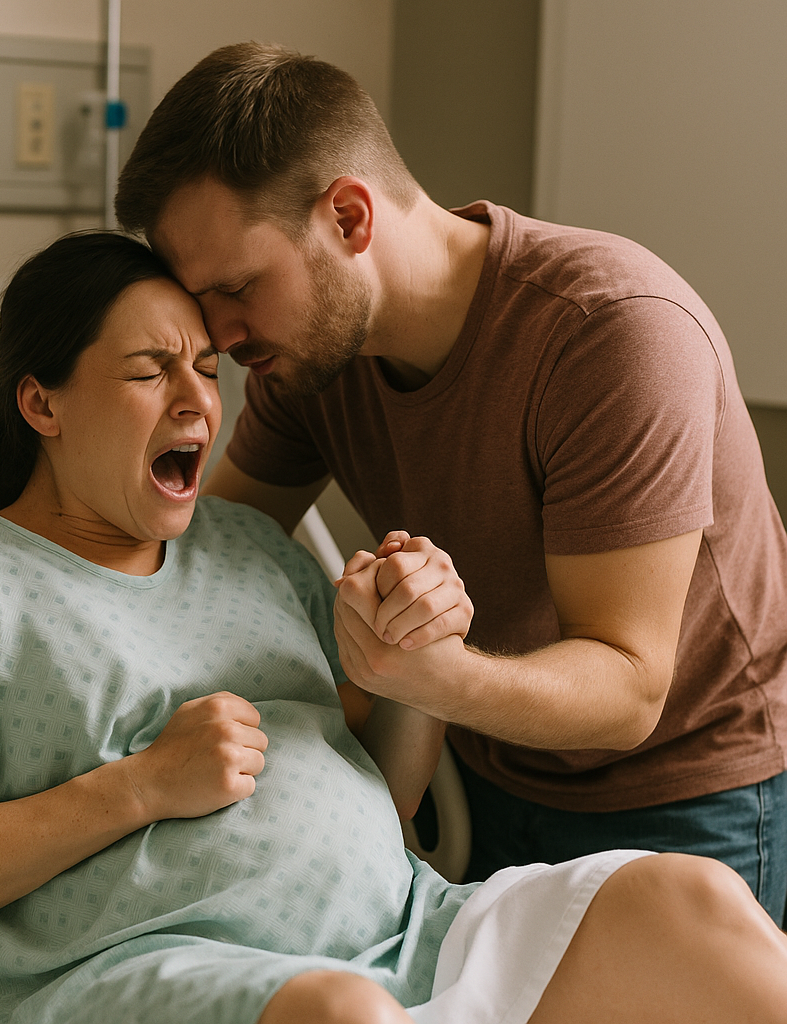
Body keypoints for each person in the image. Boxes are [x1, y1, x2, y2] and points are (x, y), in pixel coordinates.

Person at [0, 231, 787, 1024]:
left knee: (685, 901)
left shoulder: (249, 547)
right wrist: (142, 784)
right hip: (129, 970)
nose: (200, 398)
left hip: (410, 934)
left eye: (203, 366)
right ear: (41, 402)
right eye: (152, 370)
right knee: (339, 1014)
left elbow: (386, 791)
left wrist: (417, 667)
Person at [113, 42, 787, 925]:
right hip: (492, 771)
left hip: (686, 790)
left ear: (348, 218)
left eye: (239, 287)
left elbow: (629, 689)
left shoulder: (611, 334)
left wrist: (423, 675)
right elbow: (210, 547)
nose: (224, 337)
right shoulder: (309, 361)